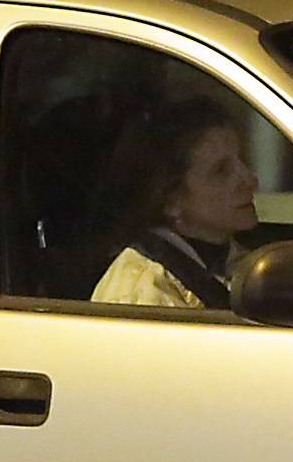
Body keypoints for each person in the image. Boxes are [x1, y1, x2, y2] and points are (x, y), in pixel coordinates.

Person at [92, 98, 259, 308]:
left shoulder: (242, 263)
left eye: (243, 159)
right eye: (221, 171)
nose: (251, 180)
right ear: (171, 199)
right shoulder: (142, 291)